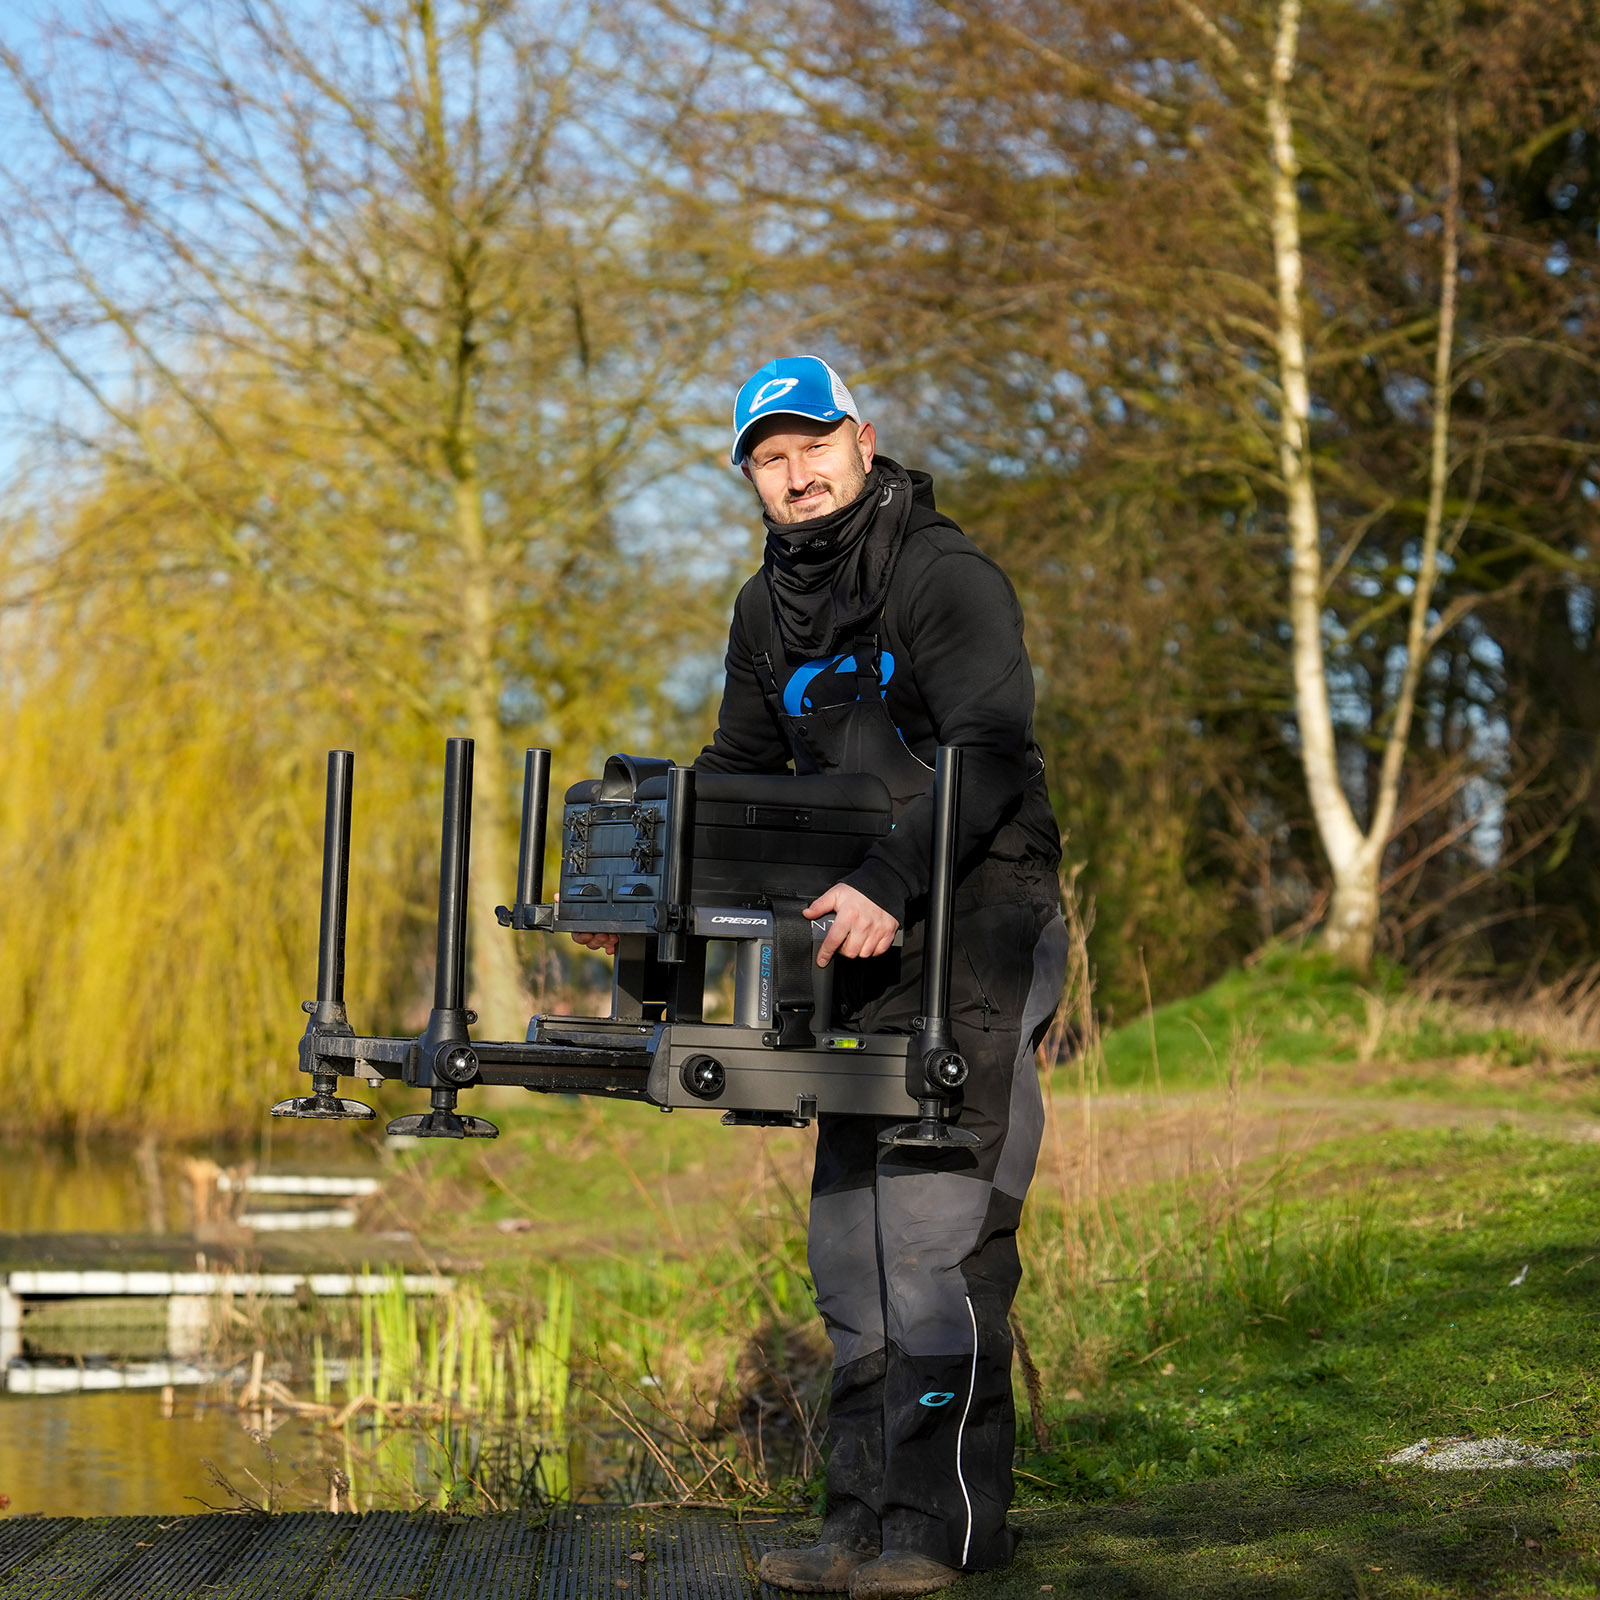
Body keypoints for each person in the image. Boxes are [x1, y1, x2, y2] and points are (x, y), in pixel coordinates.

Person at [696, 357, 1068, 1598]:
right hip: (849, 935)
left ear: (861, 439)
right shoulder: (763, 609)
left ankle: (940, 1530)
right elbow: (739, 772)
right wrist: (660, 910)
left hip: (977, 917)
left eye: (812, 444)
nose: (794, 474)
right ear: (748, 474)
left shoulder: (940, 573)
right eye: (767, 456)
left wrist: (891, 884)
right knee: (847, 1253)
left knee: (931, 1235)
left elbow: (994, 751)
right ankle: (856, 1519)